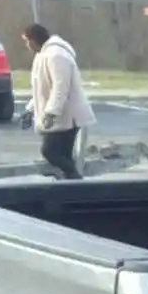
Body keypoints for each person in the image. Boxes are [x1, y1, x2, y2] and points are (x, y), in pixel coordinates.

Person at [21, 24, 95, 180]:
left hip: (68, 116)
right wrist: (30, 109)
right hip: (61, 115)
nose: (26, 45)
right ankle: (71, 184)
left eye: (27, 41)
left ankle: (76, 179)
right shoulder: (43, 55)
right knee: (63, 155)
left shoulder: (56, 55)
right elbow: (43, 90)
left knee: (50, 151)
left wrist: (51, 113)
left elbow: (60, 87)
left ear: (34, 40)